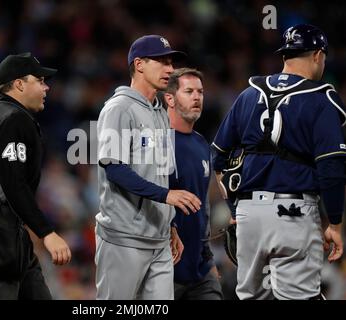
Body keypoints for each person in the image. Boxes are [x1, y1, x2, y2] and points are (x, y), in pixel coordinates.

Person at [212, 24, 346, 300]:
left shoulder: (249, 94)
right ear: (319, 55)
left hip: (248, 217)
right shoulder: (320, 99)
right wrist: (334, 223)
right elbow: (331, 169)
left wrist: (235, 207)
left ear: (285, 55)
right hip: (292, 214)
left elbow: (217, 158)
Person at [95, 35, 202, 300]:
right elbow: (115, 169)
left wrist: (171, 224)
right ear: (139, 64)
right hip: (124, 237)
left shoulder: (160, 112)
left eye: (171, 62)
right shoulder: (118, 108)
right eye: (162, 62)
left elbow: (163, 172)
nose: (170, 69)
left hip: (159, 240)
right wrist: (167, 197)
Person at [0, 52, 71, 300]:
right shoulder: (12, 119)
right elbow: (13, 183)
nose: (47, 86)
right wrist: (47, 233)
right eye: (40, 80)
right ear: (19, 84)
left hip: (7, 231)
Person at [163, 68, 223, 300]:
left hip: (200, 271)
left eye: (200, 91)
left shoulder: (201, 143)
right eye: (189, 91)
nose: (197, 97)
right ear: (169, 98)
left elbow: (203, 208)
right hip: (165, 270)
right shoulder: (156, 144)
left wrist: (208, 258)